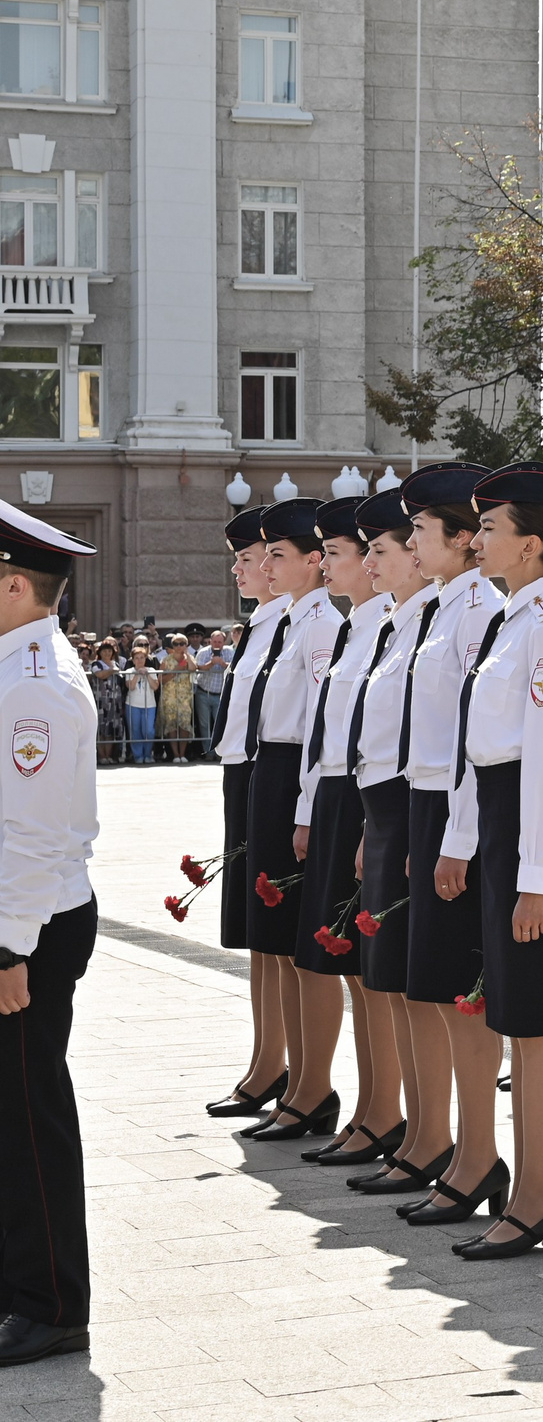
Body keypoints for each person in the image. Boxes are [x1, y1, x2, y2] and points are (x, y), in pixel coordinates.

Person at [437, 463, 543, 1257]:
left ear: (533, 544)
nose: (479, 541)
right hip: (505, 827)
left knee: (535, 1028)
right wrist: (462, 842)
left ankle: (537, 1198)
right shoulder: (512, 620)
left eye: (494, 530)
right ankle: (524, 1194)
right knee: (511, 1016)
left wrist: (535, 879)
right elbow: (482, 753)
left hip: (538, 834)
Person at [393, 461, 510, 1229]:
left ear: (464, 541)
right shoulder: (439, 609)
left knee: (468, 1001)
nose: (408, 542)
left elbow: (473, 738)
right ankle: (459, 1148)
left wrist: (455, 838)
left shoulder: (478, 612)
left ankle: (478, 1154)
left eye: (420, 531)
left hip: (457, 810)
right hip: (427, 804)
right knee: (437, 991)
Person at [0, 501, 99, 1367]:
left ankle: (52, 1301)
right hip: (19, 914)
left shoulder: (33, 678)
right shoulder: (15, 662)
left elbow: (27, 830)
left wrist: (8, 948)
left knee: (29, 1113)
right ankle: (19, 1285)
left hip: (30, 922)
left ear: (14, 583)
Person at [342, 489, 448, 1200]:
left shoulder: (448, 617)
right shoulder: (397, 624)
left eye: (386, 547)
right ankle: (410, 1126)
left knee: (422, 981)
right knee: (392, 976)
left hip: (424, 803)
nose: (383, 558)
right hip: (386, 802)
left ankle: (431, 1131)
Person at [289, 497, 398, 1166]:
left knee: (367, 968)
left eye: (338, 553)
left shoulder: (384, 624)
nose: (326, 562)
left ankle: (383, 1110)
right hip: (336, 793)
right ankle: (368, 1107)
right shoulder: (357, 626)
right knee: (349, 965)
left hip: (365, 795)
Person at [240, 498, 350, 1143]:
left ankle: (311, 1087)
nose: (264, 564)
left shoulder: (317, 627)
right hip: (273, 773)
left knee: (300, 938)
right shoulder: (285, 624)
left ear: (312, 562)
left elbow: (315, 727)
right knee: (275, 935)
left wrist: (304, 807)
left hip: (300, 779)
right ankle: (286, 1078)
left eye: (278, 553)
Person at [206, 507, 290, 1124]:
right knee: (256, 936)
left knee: (274, 933)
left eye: (251, 557)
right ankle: (265, 1059)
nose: (242, 568)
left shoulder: (296, 624)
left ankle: (279, 1067)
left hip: (277, 778)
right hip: (247, 776)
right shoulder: (262, 624)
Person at [158, 637, 196, 763]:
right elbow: (160, 680)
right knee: (171, 725)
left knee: (185, 724)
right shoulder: (166, 660)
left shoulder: (189, 659)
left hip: (185, 698)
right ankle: (176, 754)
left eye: (182, 643)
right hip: (170, 698)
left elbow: (192, 668)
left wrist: (187, 656)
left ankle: (183, 753)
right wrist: (175, 671)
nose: (179, 646)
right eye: (176, 644)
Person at [121, 642, 157, 764]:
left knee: (148, 731)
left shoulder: (151, 670)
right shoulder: (129, 670)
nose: (140, 660)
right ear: (133, 660)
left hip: (149, 705)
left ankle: (148, 754)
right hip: (133, 704)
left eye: (142, 657)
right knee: (135, 730)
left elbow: (155, 686)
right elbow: (130, 686)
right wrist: (137, 674)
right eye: (137, 658)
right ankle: (138, 756)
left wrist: (147, 675)